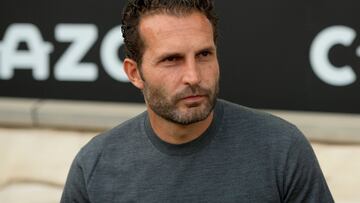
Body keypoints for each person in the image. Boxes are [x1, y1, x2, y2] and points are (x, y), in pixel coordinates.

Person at [61, 0, 334, 202]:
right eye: (172, 59)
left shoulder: (281, 149)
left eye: (204, 55)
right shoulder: (95, 165)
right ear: (135, 73)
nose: (193, 76)